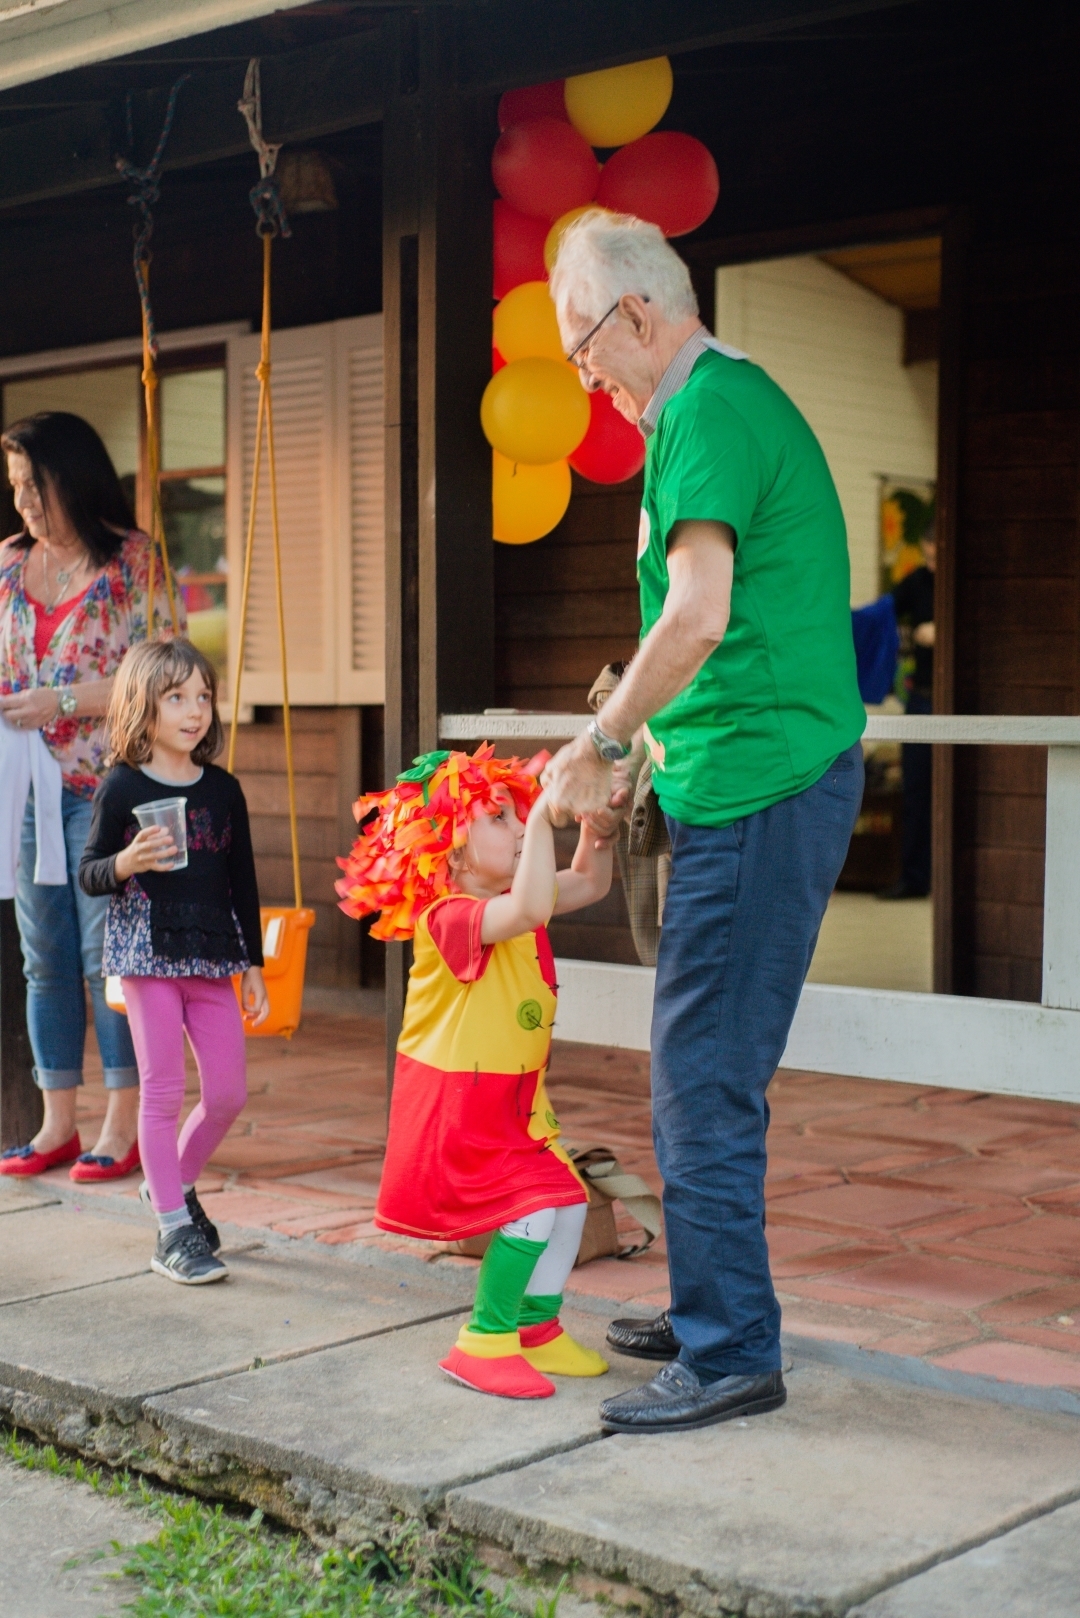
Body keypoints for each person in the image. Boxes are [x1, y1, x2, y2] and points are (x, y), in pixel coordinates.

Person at [544, 212, 866, 1434]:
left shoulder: (708, 410)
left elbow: (698, 618)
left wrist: (604, 742)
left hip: (766, 786)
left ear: (637, 314)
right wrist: (645, 745)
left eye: (585, 353)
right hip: (739, 775)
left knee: (702, 1077)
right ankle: (708, 1304)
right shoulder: (704, 410)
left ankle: (733, 1351)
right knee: (701, 1068)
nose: (586, 383)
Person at [337, 745, 615, 1399]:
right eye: (501, 818)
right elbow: (530, 911)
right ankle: (482, 1341)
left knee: (569, 1204)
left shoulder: (514, 900)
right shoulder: (450, 918)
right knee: (532, 1214)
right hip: (460, 1103)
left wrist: (597, 831)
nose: (520, 829)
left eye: (521, 818)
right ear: (451, 848)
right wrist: (550, 816)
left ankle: (534, 1328)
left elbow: (590, 883)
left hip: (515, 1104)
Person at [0, 412, 183, 1184]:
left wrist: (62, 699)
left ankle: (122, 1122)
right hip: (25, 792)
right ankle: (57, 1123)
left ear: (71, 477)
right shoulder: (8, 566)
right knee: (43, 963)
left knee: (109, 958)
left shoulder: (134, 562)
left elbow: (163, 674)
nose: (25, 508)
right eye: (14, 491)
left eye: (35, 488)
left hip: (103, 792)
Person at [78, 638, 267, 1285]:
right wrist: (126, 863)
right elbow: (90, 873)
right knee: (161, 1094)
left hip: (213, 956)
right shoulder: (123, 786)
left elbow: (243, 881)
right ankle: (172, 1233)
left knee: (227, 1093)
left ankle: (171, 1186)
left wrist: (255, 966)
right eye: (177, 697)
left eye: (204, 696)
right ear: (144, 707)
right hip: (147, 954)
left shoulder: (224, 789)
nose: (195, 711)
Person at [879, 531, 936, 899]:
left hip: (963, 701)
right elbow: (882, 614)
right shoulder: (915, 582)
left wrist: (943, 631)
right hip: (923, 697)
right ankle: (914, 878)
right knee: (915, 791)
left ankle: (946, 879)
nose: (933, 554)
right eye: (929, 547)